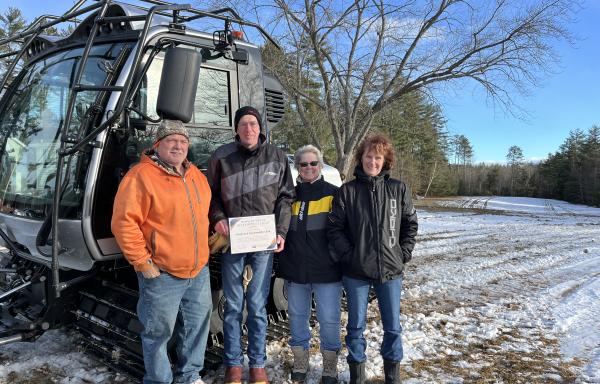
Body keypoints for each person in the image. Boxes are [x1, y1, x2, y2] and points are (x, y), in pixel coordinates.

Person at [111, 120, 212, 384]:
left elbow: (202, 216)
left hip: (198, 270)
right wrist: (143, 262)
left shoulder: (196, 177)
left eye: (183, 141)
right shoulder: (141, 177)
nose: (178, 146)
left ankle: (189, 376)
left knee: (197, 328)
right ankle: (159, 380)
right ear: (158, 145)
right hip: (162, 273)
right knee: (158, 333)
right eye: (171, 141)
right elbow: (124, 222)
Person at [206, 106, 295, 384]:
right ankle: (233, 364)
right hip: (232, 241)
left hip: (262, 243)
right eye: (243, 124)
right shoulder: (221, 156)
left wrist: (281, 231)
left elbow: (285, 198)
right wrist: (218, 218)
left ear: (260, 128)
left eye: (253, 124)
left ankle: (257, 364)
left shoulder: (276, 157)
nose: (249, 129)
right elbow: (209, 194)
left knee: (256, 306)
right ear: (236, 129)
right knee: (233, 305)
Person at [327, 134, 418, 384]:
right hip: (356, 273)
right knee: (355, 327)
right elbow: (334, 229)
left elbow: (410, 224)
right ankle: (357, 375)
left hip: (390, 272)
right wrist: (350, 257)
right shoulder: (347, 191)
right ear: (361, 158)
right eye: (368, 156)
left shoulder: (398, 189)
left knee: (393, 328)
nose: (373, 161)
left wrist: (403, 253)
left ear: (385, 160)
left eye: (378, 157)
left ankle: (392, 376)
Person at [277, 145, 342, 384]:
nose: (309, 168)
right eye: (303, 164)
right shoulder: (289, 197)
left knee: (329, 318)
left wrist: (338, 257)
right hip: (296, 269)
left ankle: (330, 365)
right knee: (297, 316)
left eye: (313, 163)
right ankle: (301, 360)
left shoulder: (334, 194)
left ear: (321, 165)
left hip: (327, 271)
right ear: (297, 168)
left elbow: (344, 231)